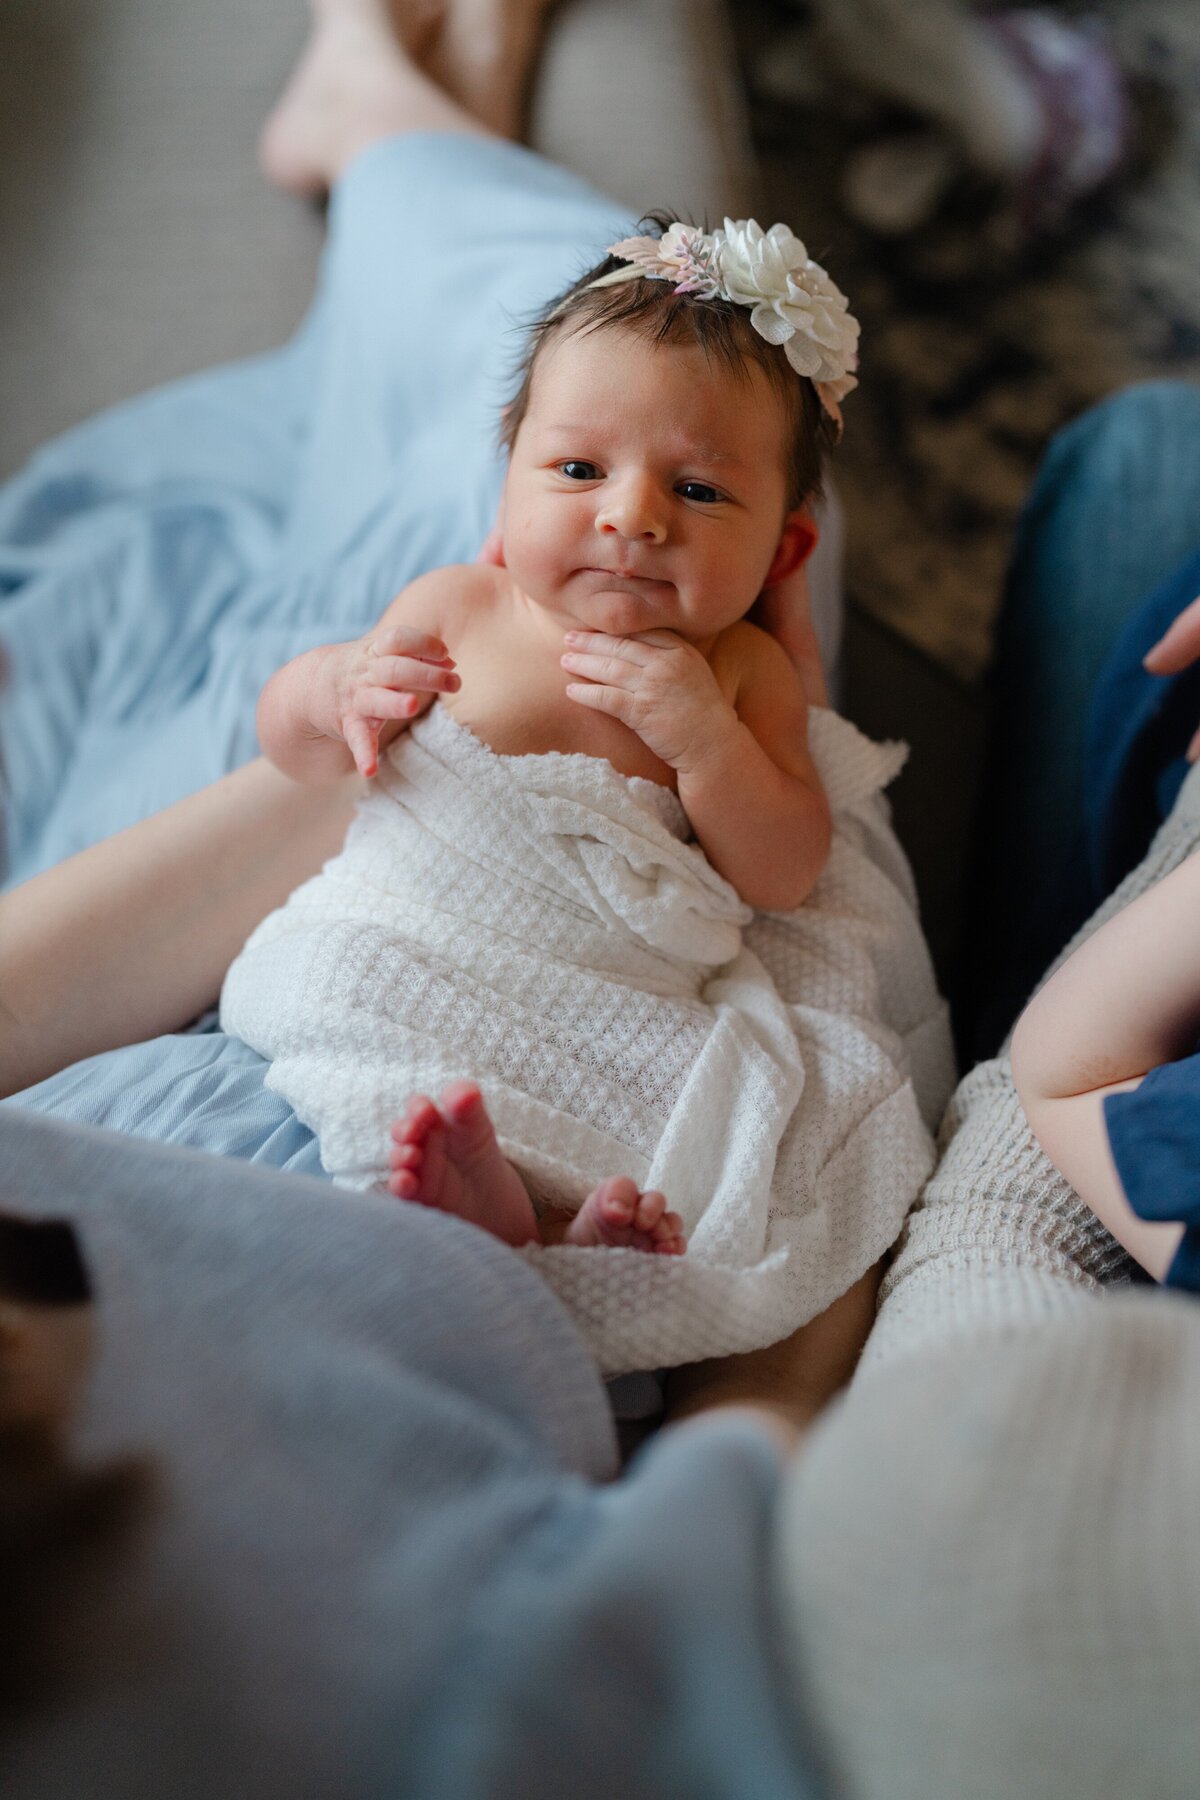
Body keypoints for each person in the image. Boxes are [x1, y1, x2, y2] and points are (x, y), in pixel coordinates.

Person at [220, 212, 856, 1261]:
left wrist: (707, 745)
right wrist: (334, 686)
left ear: (784, 549)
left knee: (677, 1082)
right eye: (576, 471)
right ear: (508, 472)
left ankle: (567, 1220)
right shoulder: (463, 605)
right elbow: (298, 751)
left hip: (600, 986)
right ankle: (510, 1204)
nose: (632, 517)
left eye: (697, 491)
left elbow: (785, 873)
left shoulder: (743, 676)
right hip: (421, 932)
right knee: (330, 975)